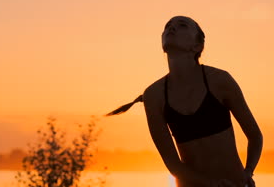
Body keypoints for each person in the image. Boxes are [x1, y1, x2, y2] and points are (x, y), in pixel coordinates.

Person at [105, 16, 263, 187]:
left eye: (182, 25)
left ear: (197, 46)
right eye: (167, 26)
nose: (171, 28)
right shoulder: (154, 95)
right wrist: (212, 184)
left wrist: (248, 172)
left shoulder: (219, 80)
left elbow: (255, 136)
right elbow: (173, 164)